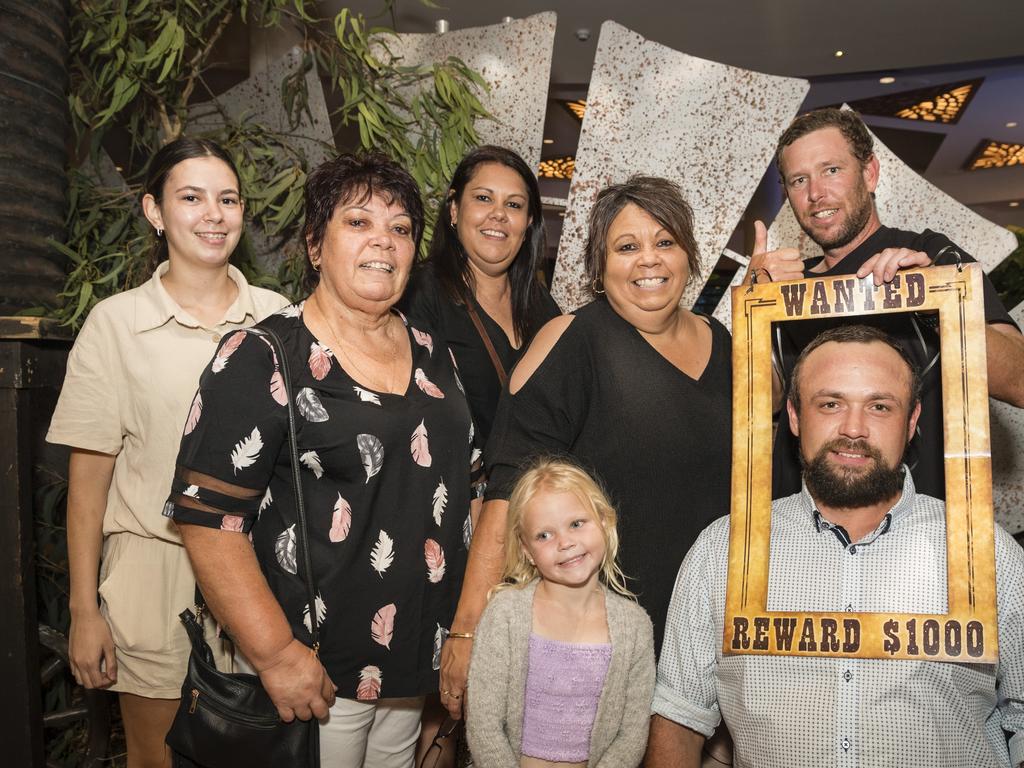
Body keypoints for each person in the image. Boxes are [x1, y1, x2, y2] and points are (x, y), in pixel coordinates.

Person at [164, 153, 480, 768]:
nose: (383, 243)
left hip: (412, 663)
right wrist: (277, 655)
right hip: (311, 675)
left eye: (400, 229)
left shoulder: (434, 355)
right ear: (314, 245)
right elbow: (206, 520)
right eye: (358, 222)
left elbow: (465, 486)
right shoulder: (260, 356)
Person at [647, 325, 1024, 768]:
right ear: (793, 415)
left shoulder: (984, 550)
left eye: (880, 406)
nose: (853, 429)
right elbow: (678, 717)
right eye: (830, 404)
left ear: (913, 420)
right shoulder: (724, 549)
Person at [440, 175, 733, 719]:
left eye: (665, 242)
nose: (649, 260)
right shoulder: (573, 340)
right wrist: (467, 630)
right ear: (599, 266)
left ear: (689, 255)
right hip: (600, 640)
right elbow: (508, 490)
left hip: (712, 636)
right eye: (627, 247)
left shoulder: (726, 344)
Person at [46, 137, 289, 768]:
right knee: (155, 759)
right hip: (153, 576)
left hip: (255, 574)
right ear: (155, 212)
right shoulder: (116, 324)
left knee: (257, 753)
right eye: (192, 198)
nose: (214, 214)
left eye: (228, 199)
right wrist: (83, 611)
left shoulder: (279, 319)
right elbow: (88, 482)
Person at [746, 107, 1024, 500]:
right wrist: (752, 309)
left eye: (831, 170)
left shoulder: (929, 256)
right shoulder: (785, 286)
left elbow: (1019, 381)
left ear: (870, 173)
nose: (815, 193)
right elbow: (762, 403)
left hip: (923, 532)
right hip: (801, 534)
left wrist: (934, 303)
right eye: (798, 180)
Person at [466, 458, 655, 767]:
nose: (565, 542)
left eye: (576, 524)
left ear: (605, 523)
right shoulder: (506, 614)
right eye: (544, 535)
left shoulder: (634, 627)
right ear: (526, 549)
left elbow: (631, 736)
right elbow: (484, 725)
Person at [401, 144, 561, 447]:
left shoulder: (541, 304)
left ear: (528, 223)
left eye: (514, 205)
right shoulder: (420, 295)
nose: (498, 214)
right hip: (460, 490)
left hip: (532, 486)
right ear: (454, 208)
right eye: (483, 198)